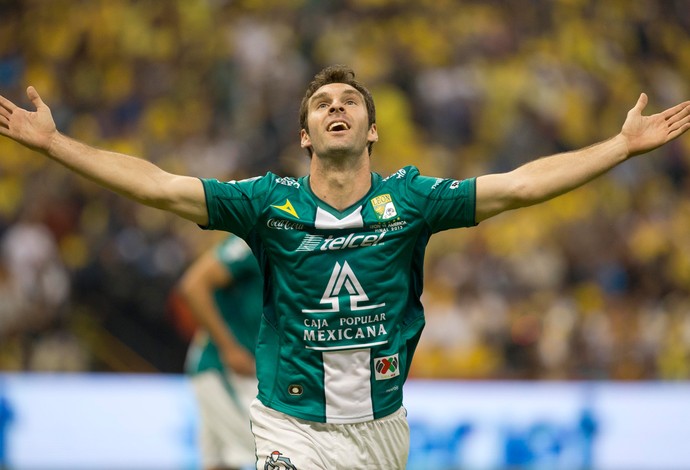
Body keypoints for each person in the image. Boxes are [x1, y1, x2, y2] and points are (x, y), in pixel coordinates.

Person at [1, 65, 688, 469]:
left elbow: (521, 185)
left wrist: (618, 149)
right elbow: (158, 184)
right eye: (322, 104)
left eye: (349, 102)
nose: (337, 107)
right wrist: (57, 144)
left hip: (381, 431)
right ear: (304, 135)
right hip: (286, 426)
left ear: (371, 130)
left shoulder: (413, 201)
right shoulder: (267, 206)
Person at [174, 234, 263, 470]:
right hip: (224, 369)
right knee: (274, 452)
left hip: (233, 370)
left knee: (220, 462)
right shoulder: (251, 241)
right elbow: (193, 286)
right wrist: (229, 348)